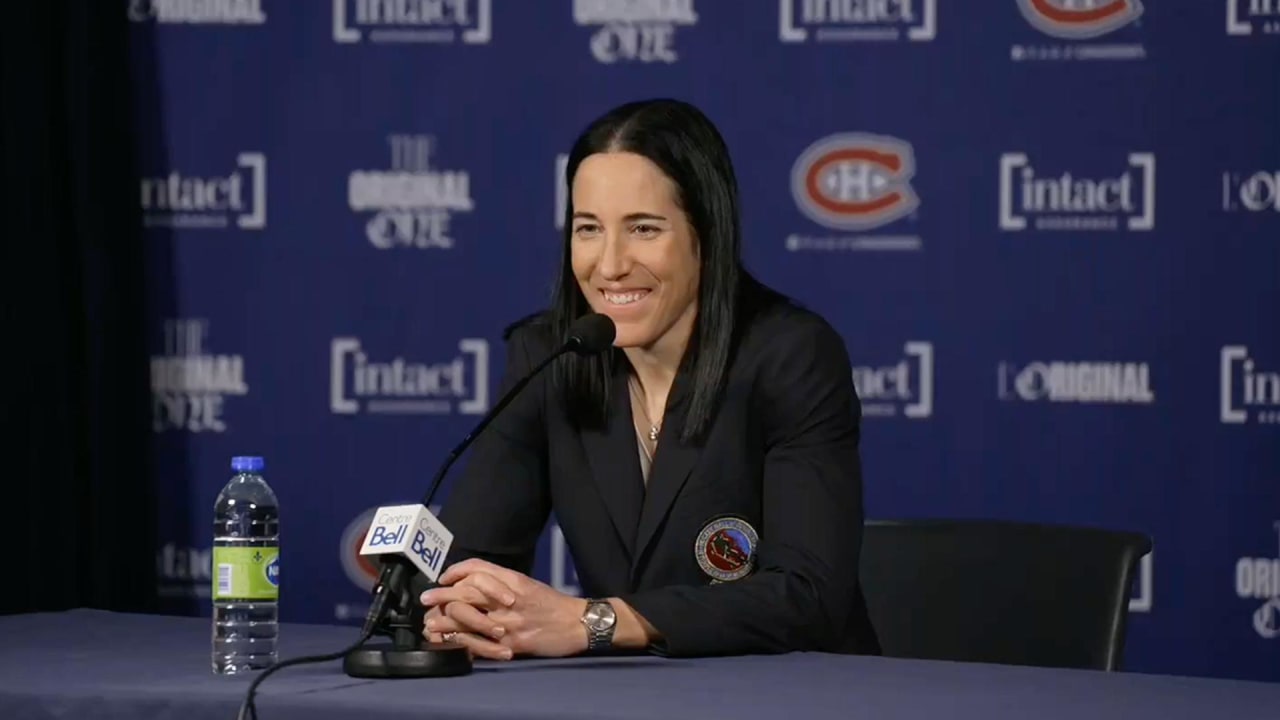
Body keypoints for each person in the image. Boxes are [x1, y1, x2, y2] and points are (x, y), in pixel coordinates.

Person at [417, 98, 881, 660]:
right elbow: (466, 556)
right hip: (627, 698)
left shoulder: (791, 354)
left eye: (643, 228)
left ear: (705, 233)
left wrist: (593, 621)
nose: (610, 264)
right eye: (589, 229)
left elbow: (807, 597)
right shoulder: (549, 354)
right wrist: (457, 603)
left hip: (792, 695)